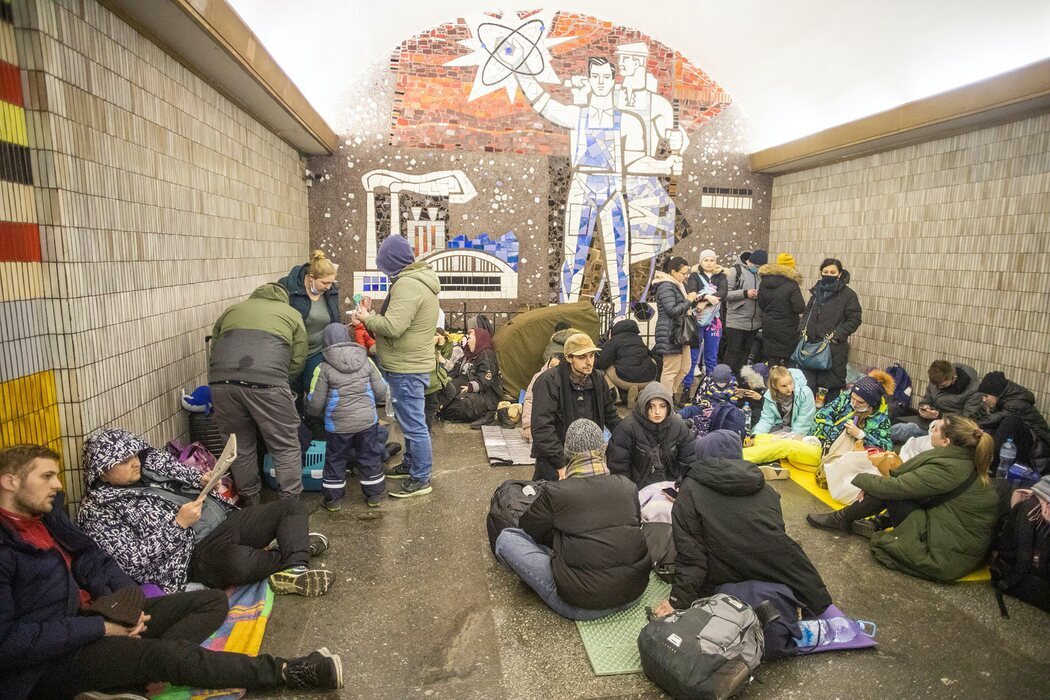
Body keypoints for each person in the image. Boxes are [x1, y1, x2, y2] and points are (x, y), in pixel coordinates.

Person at [1, 445, 342, 699]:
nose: (58, 485)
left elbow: (95, 561)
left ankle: (136, 676)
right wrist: (100, 627)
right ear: (10, 481)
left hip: (93, 615)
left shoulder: (46, 518)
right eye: (46, 476)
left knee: (209, 602)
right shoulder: (18, 541)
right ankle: (287, 670)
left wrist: (127, 606)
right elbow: (9, 644)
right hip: (49, 661)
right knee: (170, 652)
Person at [77, 430, 333, 596]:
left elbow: (174, 468)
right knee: (239, 562)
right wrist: (178, 525)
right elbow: (132, 563)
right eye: (124, 461)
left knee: (292, 506)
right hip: (193, 553)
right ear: (101, 471)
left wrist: (202, 479)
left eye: (134, 455)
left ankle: (295, 568)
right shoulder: (96, 512)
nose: (135, 462)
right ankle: (291, 551)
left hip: (224, 520)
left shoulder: (147, 470)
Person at [654, 430, 832, 616]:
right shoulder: (767, 490)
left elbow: (692, 556)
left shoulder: (689, 491)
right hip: (772, 570)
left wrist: (678, 601)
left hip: (721, 579)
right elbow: (773, 535)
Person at [807, 414, 999, 582]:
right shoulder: (963, 460)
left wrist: (863, 480)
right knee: (889, 488)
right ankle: (855, 520)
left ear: (946, 442)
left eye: (937, 428)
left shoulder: (948, 467)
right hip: (955, 540)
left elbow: (896, 487)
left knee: (889, 491)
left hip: (945, 554)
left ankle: (841, 519)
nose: (932, 429)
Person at [494, 420, 650, 620]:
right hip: (633, 594)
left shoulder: (557, 492)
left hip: (582, 605)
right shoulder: (627, 486)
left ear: (567, 452)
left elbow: (529, 529)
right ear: (601, 450)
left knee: (507, 538)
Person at [353, 235, 441, 499]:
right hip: (409, 363)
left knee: (414, 425)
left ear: (391, 262)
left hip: (407, 367)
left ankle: (421, 477)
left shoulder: (408, 285)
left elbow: (393, 327)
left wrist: (367, 318)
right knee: (410, 422)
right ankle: (412, 465)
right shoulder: (416, 282)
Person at [209, 282, 307, 502]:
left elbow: (214, 348)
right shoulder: (291, 314)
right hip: (268, 382)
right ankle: (289, 505)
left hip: (222, 382)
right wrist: (281, 381)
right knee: (285, 444)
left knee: (239, 444)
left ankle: (250, 501)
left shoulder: (232, 310)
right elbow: (298, 358)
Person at [307, 323, 388, 510]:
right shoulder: (366, 361)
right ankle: (374, 495)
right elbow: (382, 391)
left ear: (325, 342)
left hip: (337, 426)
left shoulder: (323, 368)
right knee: (369, 456)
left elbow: (315, 404)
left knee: (335, 459)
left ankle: (333, 500)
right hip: (367, 422)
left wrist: (310, 406)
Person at [529, 333, 620, 481]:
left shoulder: (598, 379)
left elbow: (611, 416)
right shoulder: (548, 381)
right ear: (569, 357)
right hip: (554, 458)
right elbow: (542, 427)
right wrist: (560, 463)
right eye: (582, 357)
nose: (589, 362)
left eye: (591, 356)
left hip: (591, 456)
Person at [608, 382, 696, 490]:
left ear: (669, 406)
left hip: (672, 487)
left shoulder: (679, 426)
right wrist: (631, 493)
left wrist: (680, 487)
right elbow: (619, 468)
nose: (657, 412)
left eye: (662, 406)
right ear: (643, 406)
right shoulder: (627, 428)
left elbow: (689, 463)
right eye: (651, 406)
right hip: (639, 490)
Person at [279, 250, 341, 402]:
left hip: (318, 352)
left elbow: (335, 318)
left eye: (331, 283)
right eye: (324, 283)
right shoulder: (288, 287)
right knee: (293, 395)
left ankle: (314, 423)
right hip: (293, 353)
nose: (328, 286)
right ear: (311, 278)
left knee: (316, 391)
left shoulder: (330, 292)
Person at [798, 258, 862, 401]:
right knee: (808, 386)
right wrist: (802, 328)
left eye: (832, 272)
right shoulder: (817, 292)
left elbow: (854, 319)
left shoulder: (848, 295)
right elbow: (807, 313)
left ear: (839, 274)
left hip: (834, 350)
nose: (828, 274)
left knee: (830, 389)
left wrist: (837, 336)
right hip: (810, 347)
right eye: (825, 271)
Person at [891, 360, 983, 442]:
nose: (939, 388)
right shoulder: (937, 380)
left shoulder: (973, 389)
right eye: (936, 385)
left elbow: (967, 419)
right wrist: (924, 407)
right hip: (929, 422)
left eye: (942, 386)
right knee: (898, 427)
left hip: (949, 429)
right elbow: (926, 399)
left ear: (954, 378)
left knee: (905, 430)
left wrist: (940, 415)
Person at [974, 371, 1050, 471]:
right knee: (985, 430)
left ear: (997, 394)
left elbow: (992, 420)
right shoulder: (996, 400)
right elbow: (976, 417)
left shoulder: (1017, 403)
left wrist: (972, 425)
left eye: (986, 395)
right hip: (1018, 443)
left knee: (1009, 422)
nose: (983, 399)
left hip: (1037, 448)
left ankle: (991, 464)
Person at [653, 256, 700, 400]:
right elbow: (672, 310)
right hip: (670, 332)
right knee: (670, 370)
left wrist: (692, 301)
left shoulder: (676, 285)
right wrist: (689, 300)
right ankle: (665, 401)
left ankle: (670, 395)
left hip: (679, 332)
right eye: (683, 273)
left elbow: (682, 307)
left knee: (685, 367)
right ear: (673, 272)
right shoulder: (666, 285)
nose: (685, 277)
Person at [813, 370, 894, 452]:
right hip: (824, 445)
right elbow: (821, 414)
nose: (854, 403)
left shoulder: (880, 418)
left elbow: (887, 448)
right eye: (853, 398)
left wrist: (861, 435)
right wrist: (836, 433)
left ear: (872, 403)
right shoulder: (846, 397)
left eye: (860, 402)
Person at [682, 250, 728, 395]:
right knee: (693, 356)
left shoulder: (721, 276)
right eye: (706, 260)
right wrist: (707, 297)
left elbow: (723, 293)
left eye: (712, 260)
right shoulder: (694, 276)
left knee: (711, 356)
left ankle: (710, 389)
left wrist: (704, 300)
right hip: (696, 321)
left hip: (714, 321)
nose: (709, 263)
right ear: (700, 262)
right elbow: (692, 292)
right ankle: (686, 389)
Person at [440, 327, 503, 427]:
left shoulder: (486, 355)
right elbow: (455, 371)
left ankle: (489, 413)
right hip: (466, 389)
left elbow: (485, 378)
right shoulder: (468, 355)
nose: (467, 341)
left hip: (486, 394)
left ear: (479, 339)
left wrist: (470, 387)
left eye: (470, 338)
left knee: (462, 407)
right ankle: (441, 409)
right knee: (446, 396)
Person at [722, 249, 766, 374]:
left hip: (754, 322)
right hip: (736, 320)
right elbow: (725, 294)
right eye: (756, 266)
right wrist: (745, 293)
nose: (757, 269)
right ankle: (726, 378)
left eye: (760, 267)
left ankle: (739, 378)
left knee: (746, 353)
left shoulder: (761, 275)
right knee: (733, 351)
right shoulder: (735, 271)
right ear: (748, 261)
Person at [757, 253, 805, 367]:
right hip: (788, 327)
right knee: (789, 359)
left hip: (769, 325)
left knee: (773, 358)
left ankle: (772, 383)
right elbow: (799, 307)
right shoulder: (792, 284)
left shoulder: (764, 282)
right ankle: (789, 383)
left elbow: (761, 304)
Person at [596, 318, 658, 406]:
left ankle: (614, 391)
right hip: (648, 379)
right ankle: (640, 394)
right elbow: (650, 355)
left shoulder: (614, 340)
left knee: (606, 367)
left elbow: (601, 362)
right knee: (652, 361)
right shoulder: (638, 339)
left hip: (624, 380)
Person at [753, 366, 817, 436]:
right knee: (758, 436)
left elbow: (804, 421)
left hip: (802, 430)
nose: (789, 388)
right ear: (774, 386)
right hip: (780, 427)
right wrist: (755, 436)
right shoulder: (769, 396)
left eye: (790, 383)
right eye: (784, 386)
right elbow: (766, 420)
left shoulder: (805, 393)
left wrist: (792, 438)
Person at [521, 354, 560, 443]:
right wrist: (527, 426)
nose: (552, 370)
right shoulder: (538, 377)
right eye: (551, 366)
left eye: (556, 367)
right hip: (539, 424)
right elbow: (529, 400)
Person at [425, 328, 456, 429]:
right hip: (430, 375)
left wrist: (441, 345)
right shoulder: (423, 332)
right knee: (430, 406)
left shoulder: (446, 341)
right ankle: (425, 434)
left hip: (438, 374)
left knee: (450, 392)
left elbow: (443, 355)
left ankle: (426, 432)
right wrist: (431, 343)